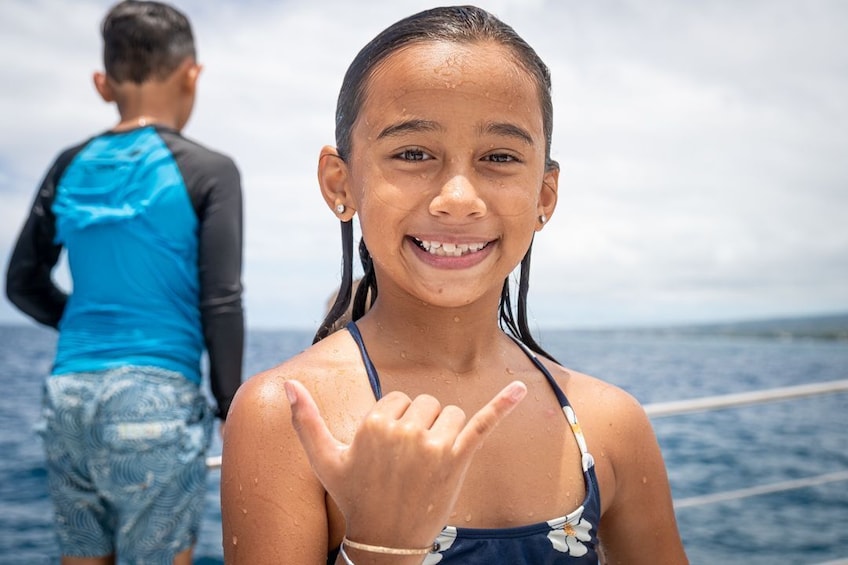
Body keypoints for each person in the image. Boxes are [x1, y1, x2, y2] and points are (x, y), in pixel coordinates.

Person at [221, 5, 686, 564]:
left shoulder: (609, 423)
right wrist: (380, 544)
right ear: (339, 183)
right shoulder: (289, 416)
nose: (459, 198)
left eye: (499, 157)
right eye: (413, 154)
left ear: (544, 195)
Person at [5, 1, 244, 563]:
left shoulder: (69, 164)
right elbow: (222, 298)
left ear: (101, 83)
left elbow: (22, 281)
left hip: (68, 396)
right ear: (192, 74)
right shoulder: (210, 170)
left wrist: (90, 316)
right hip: (154, 399)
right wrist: (232, 406)